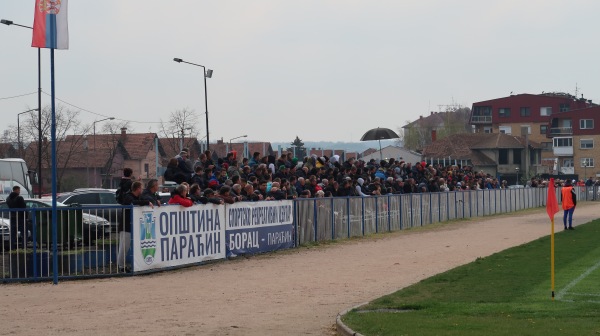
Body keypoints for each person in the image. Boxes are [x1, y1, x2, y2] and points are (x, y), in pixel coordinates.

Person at [118, 181, 154, 272]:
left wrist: (153, 201)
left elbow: (145, 199)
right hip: (126, 226)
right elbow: (133, 202)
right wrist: (146, 202)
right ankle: (121, 266)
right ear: (138, 189)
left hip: (133, 226)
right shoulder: (128, 197)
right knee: (124, 247)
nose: (142, 190)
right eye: (141, 188)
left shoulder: (138, 197)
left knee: (130, 247)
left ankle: (130, 265)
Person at [6, 186, 26, 250]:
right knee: (24, 234)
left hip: (12, 218)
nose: (19, 192)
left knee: (13, 235)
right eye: (19, 190)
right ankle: (24, 249)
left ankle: (12, 249)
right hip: (20, 218)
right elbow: (24, 208)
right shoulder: (19, 198)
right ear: (17, 190)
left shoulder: (8, 198)